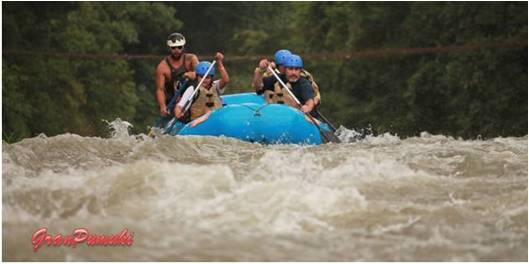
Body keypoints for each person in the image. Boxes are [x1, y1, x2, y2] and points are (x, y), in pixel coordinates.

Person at [174, 52, 229, 126]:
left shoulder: (215, 85)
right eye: (201, 77)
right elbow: (179, 106)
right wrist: (178, 111)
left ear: (211, 78)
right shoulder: (192, 89)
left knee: (212, 112)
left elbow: (225, 80)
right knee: (209, 113)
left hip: (215, 119)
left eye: (207, 77)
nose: (204, 79)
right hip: (198, 123)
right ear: (197, 77)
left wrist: (219, 62)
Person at [252, 49, 322, 105]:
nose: (284, 68)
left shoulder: (303, 80)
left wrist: (310, 104)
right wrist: (260, 70)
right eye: (281, 66)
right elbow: (258, 87)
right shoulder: (276, 77)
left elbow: (312, 100)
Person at [154, 32, 199, 117]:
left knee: (196, 83)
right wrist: (162, 106)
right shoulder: (162, 67)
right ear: (169, 48)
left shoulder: (191, 59)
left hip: (192, 95)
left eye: (179, 47)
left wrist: (194, 73)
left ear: (183, 47)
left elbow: (202, 73)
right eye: (173, 48)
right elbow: (160, 89)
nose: (176, 50)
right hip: (174, 98)